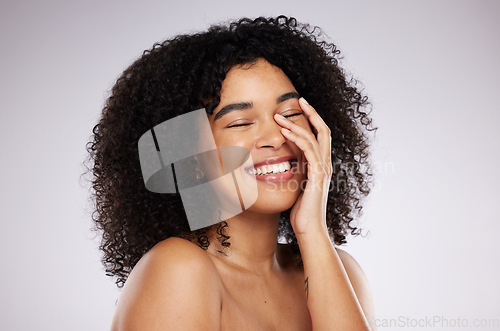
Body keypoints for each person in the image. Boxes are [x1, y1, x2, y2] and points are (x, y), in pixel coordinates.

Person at [87, 15, 377, 330]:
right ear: (190, 154)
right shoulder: (180, 269)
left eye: (291, 113)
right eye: (240, 122)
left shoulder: (339, 271)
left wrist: (313, 232)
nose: (276, 138)